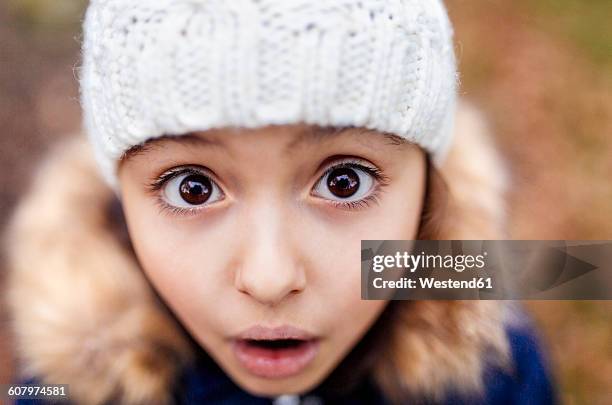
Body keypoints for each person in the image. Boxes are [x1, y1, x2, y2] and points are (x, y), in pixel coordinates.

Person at [4, 1, 557, 404]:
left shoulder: (495, 370)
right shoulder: (65, 389)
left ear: (426, 188)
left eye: (344, 182)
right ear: (120, 198)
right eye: (192, 187)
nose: (269, 280)